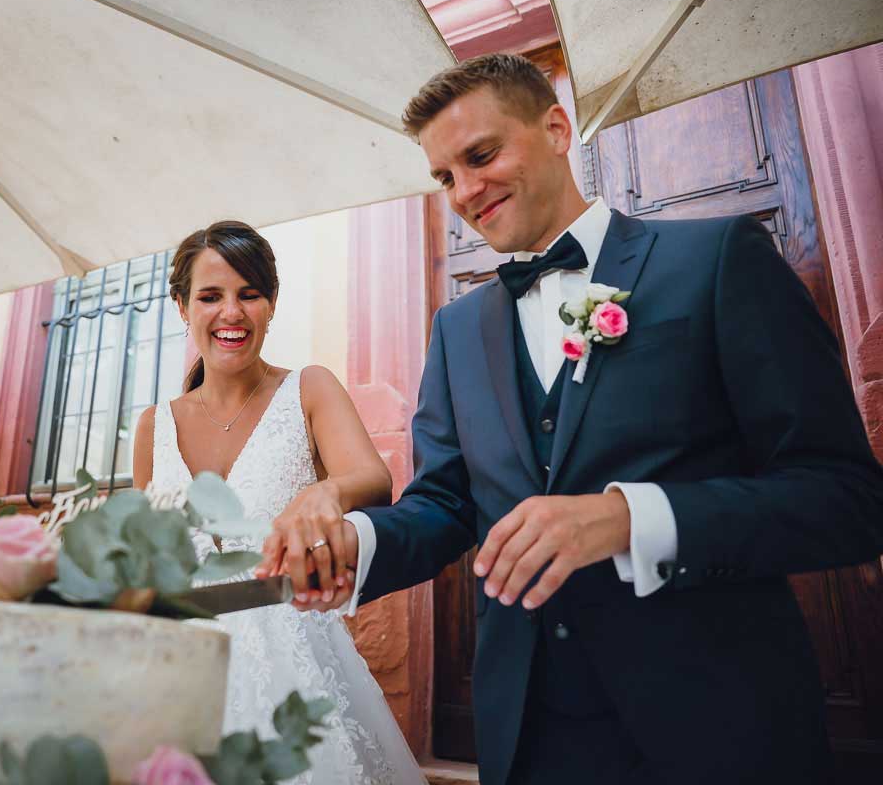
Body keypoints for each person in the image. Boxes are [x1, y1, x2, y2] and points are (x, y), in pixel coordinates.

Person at [258, 53, 883, 784]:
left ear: (556, 128)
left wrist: (627, 519)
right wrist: (355, 544)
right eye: (444, 176)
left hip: (722, 721)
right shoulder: (457, 329)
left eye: (480, 155)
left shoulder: (717, 260)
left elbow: (846, 498)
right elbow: (444, 505)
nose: (463, 191)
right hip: (532, 734)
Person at [132, 220, 427, 784]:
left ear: (271, 303)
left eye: (250, 294)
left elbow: (372, 478)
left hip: (295, 665)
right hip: (178, 672)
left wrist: (324, 491)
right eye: (211, 296)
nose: (232, 314)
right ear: (181, 305)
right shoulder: (152, 426)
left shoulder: (309, 388)